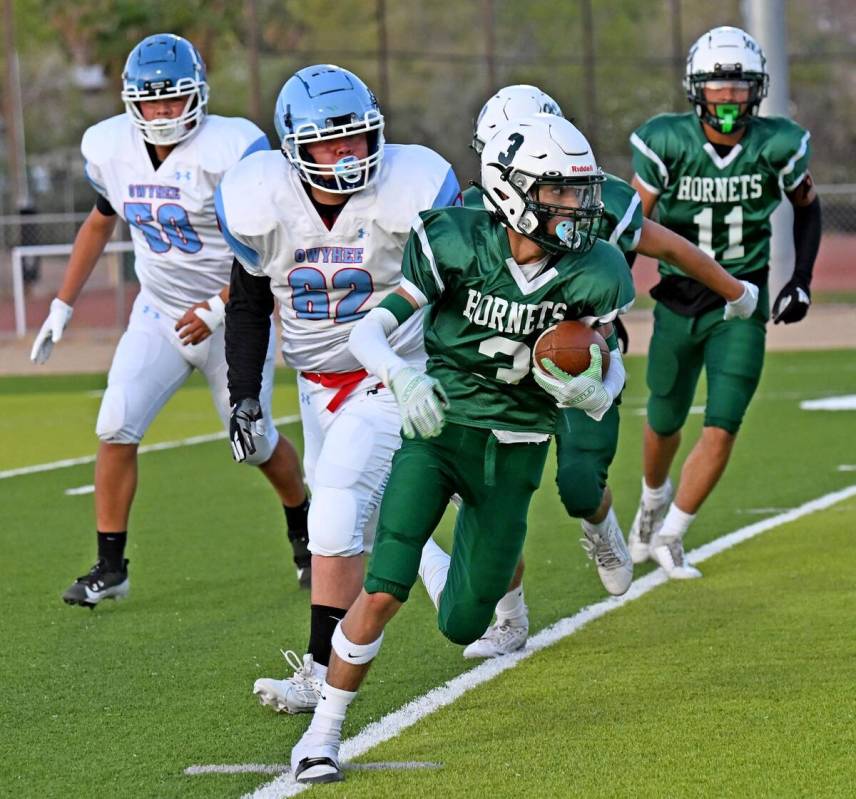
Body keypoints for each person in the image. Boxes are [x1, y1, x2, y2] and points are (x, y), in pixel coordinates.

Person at [289, 113, 636, 783]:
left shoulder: (593, 270)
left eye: (578, 192)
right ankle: (322, 734)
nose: (574, 207)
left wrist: (597, 390)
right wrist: (401, 373)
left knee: (461, 621)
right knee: (385, 585)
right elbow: (369, 331)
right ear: (511, 192)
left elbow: (608, 357)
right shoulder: (455, 241)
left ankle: (471, 574)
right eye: (558, 192)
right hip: (439, 434)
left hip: (517, 450)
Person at [448, 84, 759, 658]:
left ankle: (600, 523)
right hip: (501, 379)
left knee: (578, 484)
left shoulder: (602, 200)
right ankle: (509, 617)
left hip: (582, 368)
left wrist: (736, 292)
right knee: (493, 502)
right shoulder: (466, 216)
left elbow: (672, 248)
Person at [29, 33, 308, 607]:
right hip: (156, 311)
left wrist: (216, 307)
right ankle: (111, 567)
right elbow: (99, 222)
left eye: (172, 99)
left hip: (233, 317)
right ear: (131, 102)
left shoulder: (232, 148)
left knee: (253, 442)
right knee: (115, 425)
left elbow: (272, 245)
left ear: (198, 95)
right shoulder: (111, 148)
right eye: (149, 100)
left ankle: (303, 531)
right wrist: (62, 304)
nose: (160, 112)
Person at [216, 64, 461, 715]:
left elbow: (456, 283)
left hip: (393, 371)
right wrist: (245, 393)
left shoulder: (410, 188)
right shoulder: (261, 202)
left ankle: (321, 675)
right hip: (316, 383)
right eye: (331, 143)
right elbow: (247, 303)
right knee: (368, 521)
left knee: (333, 516)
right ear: (295, 149)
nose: (348, 156)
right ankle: (487, 596)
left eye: (357, 139)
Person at [628, 26, 820, 578]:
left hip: (743, 300)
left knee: (724, 420)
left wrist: (801, 276)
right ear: (696, 89)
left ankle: (673, 534)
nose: (730, 98)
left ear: (757, 90)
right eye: (719, 86)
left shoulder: (777, 143)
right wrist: (607, 300)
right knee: (663, 418)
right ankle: (650, 501)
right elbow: (631, 225)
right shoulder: (666, 141)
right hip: (678, 299)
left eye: (741, 87)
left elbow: (807, 207)